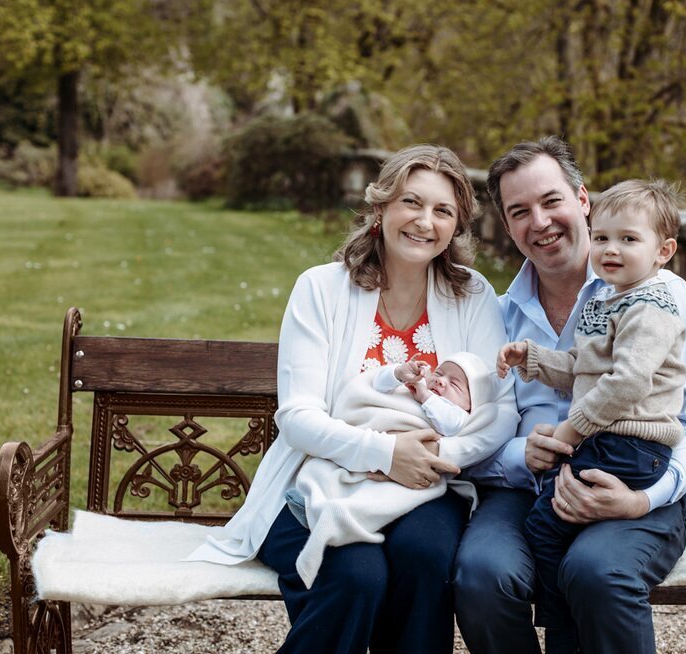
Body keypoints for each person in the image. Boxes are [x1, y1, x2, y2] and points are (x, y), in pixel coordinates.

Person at [187, 144, 518, 654]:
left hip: (426, 486)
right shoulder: (321, 289)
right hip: (314, 481)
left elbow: (501, 412)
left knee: (427, 556)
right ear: (381, 207)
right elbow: (297, 417)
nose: (424, 221)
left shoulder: (471, 294)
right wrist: (385, 454)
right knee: (357, 577)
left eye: (442, 210)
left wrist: (435, 458)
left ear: (457, 226)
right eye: (411, 202)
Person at [454, 136, 686, 654]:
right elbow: (473, 431)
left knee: (596, 572)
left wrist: (643, 498)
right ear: (507, 226)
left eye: (551, 200)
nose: (539, 222)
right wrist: (519, 454)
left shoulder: (660, 296)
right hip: (529, 489)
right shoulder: (498, 313)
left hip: (636, 479)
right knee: (482, 575)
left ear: (583, 200)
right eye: (520, 212)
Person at [497, 179, 686, 653]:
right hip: (611, 444)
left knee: (544, 525)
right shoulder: (610, 298)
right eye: (602, 238)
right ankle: (570, 629)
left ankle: (564, 634)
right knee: (554, 527)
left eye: (628, 239)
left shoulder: (653, 306)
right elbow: (585, 369)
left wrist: (571, 428)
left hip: (632, 448)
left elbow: (625, 384)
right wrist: (534, 360)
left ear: (663, 251)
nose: (610, 250)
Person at [285, 352, 499, 589]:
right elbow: (376, 385)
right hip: (368, 443)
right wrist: (398, 374)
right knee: (341, 476)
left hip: (410, 474)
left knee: (379, 501)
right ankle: (315, 503)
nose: (441, 381)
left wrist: (426, 397)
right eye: (439, 373)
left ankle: (337, 518)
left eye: (455, 384)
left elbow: (451, 425)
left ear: (470, 404)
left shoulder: (457, 414)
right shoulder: (411, 392)